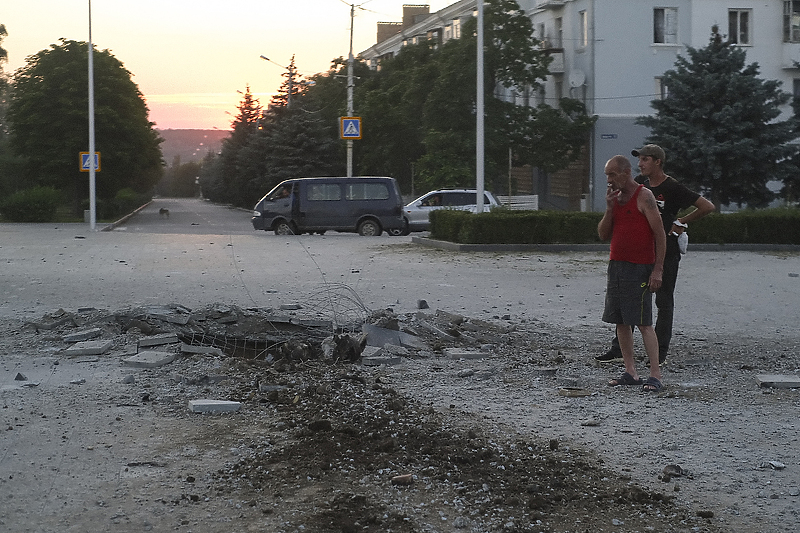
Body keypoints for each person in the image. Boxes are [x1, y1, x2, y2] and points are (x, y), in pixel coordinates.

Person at [595, 145, 715, 365]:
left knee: (663, 300)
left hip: (665, 250)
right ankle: (619, 349)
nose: (640, 164)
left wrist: (681, 222)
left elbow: (706, 206)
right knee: (629, 301)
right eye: (639, 160)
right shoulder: (639, 186)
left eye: (645, 159)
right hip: (640, 251)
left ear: (658, 161)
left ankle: (659, 353)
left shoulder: (672, 187)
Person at [598, 155, 666, 392]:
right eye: (607, 174)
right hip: (617, 265)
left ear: (626, 173)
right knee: (620, 321)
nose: (608, 180)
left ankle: (655, 374)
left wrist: (658, 269)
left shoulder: (644, 196)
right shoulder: (615, 198)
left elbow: (660, 234)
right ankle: (631, 371)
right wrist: (608, 208)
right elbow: (603, 234)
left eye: (612, 174)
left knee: (642, 321)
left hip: (639, 267)